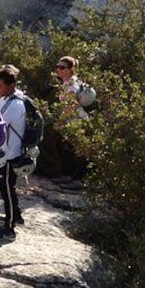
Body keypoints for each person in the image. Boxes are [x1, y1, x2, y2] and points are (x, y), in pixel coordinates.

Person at [0, 66, 26, 238]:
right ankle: (15, 214)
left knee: (6, 189)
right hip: (7, 151)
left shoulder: (15, 104)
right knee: (7, 187)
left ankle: (10, 226)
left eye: (0, 87)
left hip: (9, 154)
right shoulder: (7, 98)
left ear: (11, 85)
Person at [52, 56, 89, 191]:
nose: (59, 70)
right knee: (65, 148)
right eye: (58, 66)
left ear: (71, 69)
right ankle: (68, 176)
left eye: (62, 67)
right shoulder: (68, 82)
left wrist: (63, 119)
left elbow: (71, 104)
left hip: (75, 120)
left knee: (75, 150)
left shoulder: (71, 84)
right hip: (72, 119)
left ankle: (77, 180)